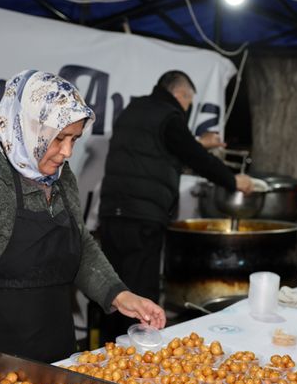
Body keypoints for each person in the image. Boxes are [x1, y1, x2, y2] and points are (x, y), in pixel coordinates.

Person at [0, 70, 165, 384]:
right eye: (58, 138)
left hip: (47, 354)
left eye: (74, 139)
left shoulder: (61, 177)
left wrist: (118, 294)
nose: (68, 152)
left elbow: (79, 245)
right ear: (25, 126)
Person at [98, 70, 254, 340]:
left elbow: (155, 151)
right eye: (188, 102)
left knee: (115, 292)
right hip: (143, 217)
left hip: (112, 213)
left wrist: (198, 142)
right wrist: (232, 180)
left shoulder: (135, 109)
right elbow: (195, 157)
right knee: (139, 293)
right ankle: (135, 358)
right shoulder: (169, 116)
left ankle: (106, 354)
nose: (188, 108)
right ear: (181, 94)